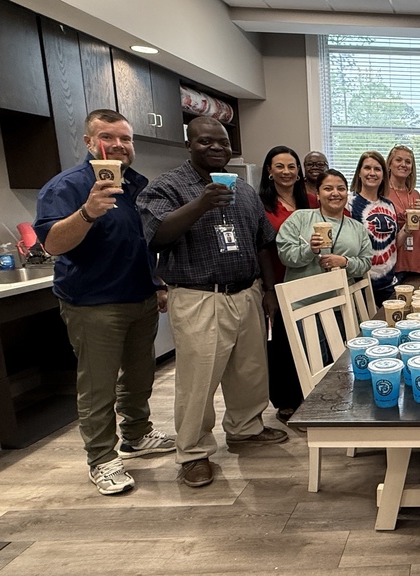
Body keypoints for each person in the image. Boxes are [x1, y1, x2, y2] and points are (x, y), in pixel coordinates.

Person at [138, 117, 288, 489]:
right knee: (199, 379)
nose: (216, 148)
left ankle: (245, 427)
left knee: (250, 370)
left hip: (246, 292)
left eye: (222, 142)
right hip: (200, 296)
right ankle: (193, 452)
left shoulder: (244, 189)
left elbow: (262, 243)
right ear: (189, 145)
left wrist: (268, 292)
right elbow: (155, 236)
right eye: (206, 142)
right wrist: (201, 203)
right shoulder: (167, 187)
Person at [33, 109, 174, 495]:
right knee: (98, 386)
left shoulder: (136, 184)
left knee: (139, 375)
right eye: (108, 137)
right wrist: (87, 212)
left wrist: (158, 283)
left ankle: (136, 434)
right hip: (94, 303)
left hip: (140, 295)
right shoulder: (68, 187)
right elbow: (52, 244)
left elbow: (140, 240)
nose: (118, 145)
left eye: (125, 139)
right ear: (89, 142)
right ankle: (102, 459)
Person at [258, 145, 316, 426]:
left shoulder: (311, 201)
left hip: (310, 281)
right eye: (279, 166)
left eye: (291, 166)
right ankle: (286, 401)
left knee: (309, 341)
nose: (286, 172)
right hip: (277, 281)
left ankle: (310, 394)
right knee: (281, 342)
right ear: (269, 171)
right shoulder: (261, 205)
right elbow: (261, 247)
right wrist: (268, 288)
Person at [277, 169, 373, 282]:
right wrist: (310, 250)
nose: (335, 193)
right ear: (318, 194)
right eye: (328, 188)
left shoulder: (358, 228)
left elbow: (366, 263)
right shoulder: (299, 219)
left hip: (344, 296)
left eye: (341, 189)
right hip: (304, 297)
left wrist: (345, 262)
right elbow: (285, 256)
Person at [347, 150, 408, 305]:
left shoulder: (388, 205)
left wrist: (408, 229)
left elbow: (394, 244)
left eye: (377, 169)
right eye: (367, 168)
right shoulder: (349, 202)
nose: (372, 173)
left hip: (388, 282)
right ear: (359, 173)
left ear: (383, 175)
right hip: (360, 283)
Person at [386, 145, 420, 283]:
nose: (403, 165)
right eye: (398, 160)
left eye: (408, 162)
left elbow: (418, 230)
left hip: (416, 261)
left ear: (412, 168)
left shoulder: (415, 193)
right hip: (395, 263)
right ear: (389, 164)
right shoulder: (382, 193)